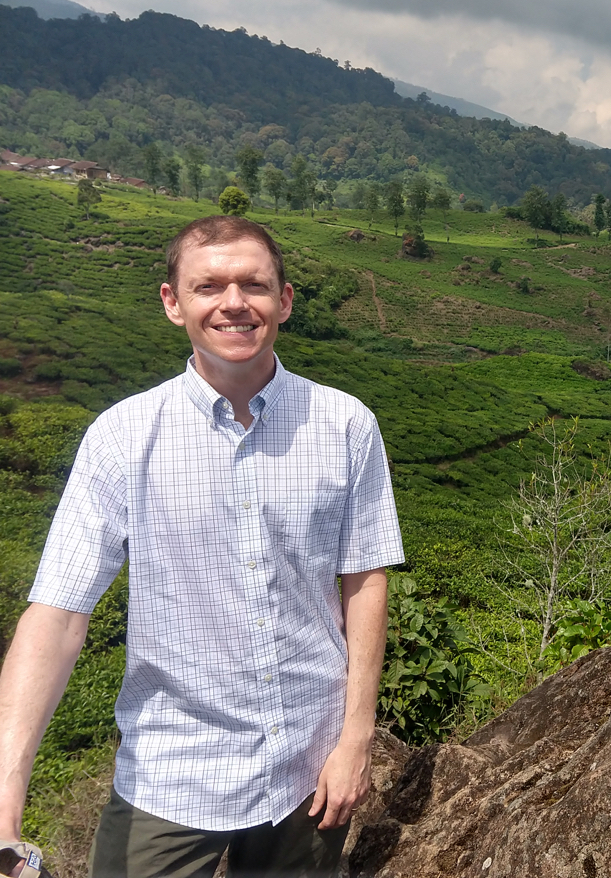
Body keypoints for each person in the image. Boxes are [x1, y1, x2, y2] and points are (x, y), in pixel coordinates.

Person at [0, 215, 404, 877]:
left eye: (255, 284)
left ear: (286, 299)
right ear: (173, 303)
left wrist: (356, 734)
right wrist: (4, 807)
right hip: (171, 773)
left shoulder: (345, 424)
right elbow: (58, 615)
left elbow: (364, 580)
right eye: (208, 286)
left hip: (307, 766)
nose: (234, 302)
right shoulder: (122, 438)